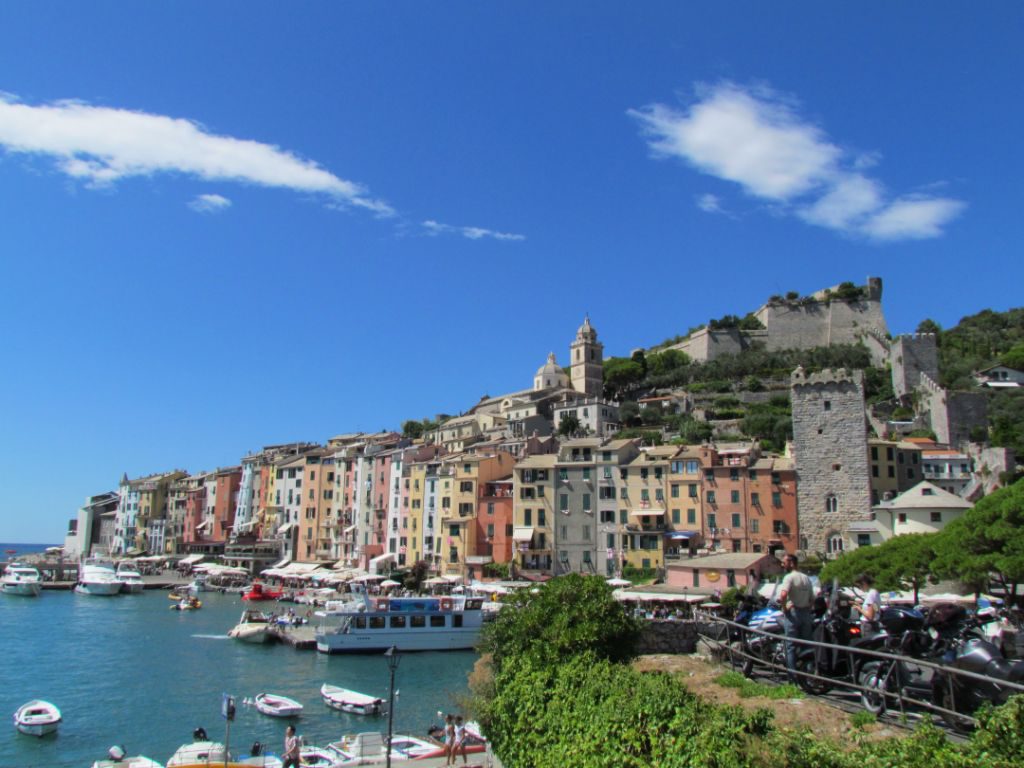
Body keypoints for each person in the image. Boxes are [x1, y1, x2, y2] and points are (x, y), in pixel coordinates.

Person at [777, 553, 814, 680]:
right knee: (807, 645)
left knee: (791, 646)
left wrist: (784, 608)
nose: (783, 564)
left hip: (793, 613)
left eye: (784, 562)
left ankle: (792, 677)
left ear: (791, 563)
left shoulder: (789, 577)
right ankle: (808, 674)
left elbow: (783, 595)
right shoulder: (806, 578)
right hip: (806, 613)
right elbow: (812, 599)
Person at [854, 573, 881, 639]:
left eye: (859, 586)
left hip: (868, 626)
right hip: (874, 624)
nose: (859, 588)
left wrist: (859, 609)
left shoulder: (871, 595)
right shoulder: (875, 592)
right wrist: (862, 607)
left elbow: (870, 616)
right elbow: (875, 610)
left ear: (864, 583)